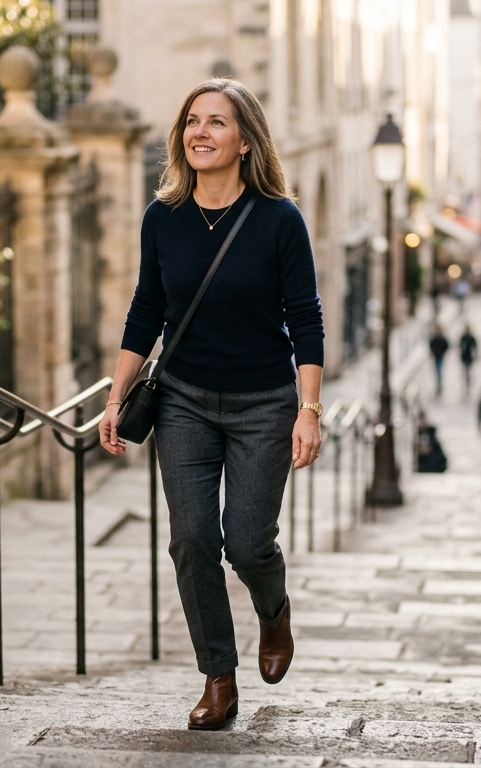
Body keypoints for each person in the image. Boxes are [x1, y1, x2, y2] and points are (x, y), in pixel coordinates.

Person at [99, 79, 324, 731]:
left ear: (246, 140)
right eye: (192, 121)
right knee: (192, 539)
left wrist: (309, 410)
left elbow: (306, 317)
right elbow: (146, 311)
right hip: (184, 403)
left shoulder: (279, 219)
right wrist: (115, 398)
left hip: (263, 404)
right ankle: (218, 677)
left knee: (248, 543)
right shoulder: (162, 217)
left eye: (217, 122)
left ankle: (273, 613)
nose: (200, 131)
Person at [429, 325, 451, 395]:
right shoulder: (434, 338)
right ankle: (438, 383)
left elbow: (446, 346)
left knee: (439, 369)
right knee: (437, 370)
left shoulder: (442, 339)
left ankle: (439, 383)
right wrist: (432, 352)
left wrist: (443, 352)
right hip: (436, 356)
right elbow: (431, 345)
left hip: (440, 356)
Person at [459, 325, 478, 395]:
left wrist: (475, 355)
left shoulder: (471, 338)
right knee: (465, 372)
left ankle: (468, 384)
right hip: (464, 357)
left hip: (469, 358)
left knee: (468, 371)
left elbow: (475, 347)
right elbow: (460, 346)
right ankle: (466, 384)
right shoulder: (463, 338)